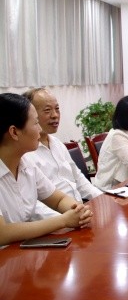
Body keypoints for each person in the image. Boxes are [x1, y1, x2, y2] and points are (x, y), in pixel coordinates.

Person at [0, 93, 92, 246]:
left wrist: (77, 210)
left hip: (24, 250)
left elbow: (58, 199)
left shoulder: (26, 165)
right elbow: (2, 233)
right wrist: (64, 220)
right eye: (36, 123)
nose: (39, 129)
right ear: (14, 132)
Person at [21, 88, 103, 219]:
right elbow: (33, 205)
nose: (55, 115)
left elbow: (79, 179)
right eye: (47, 110)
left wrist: (102, 198)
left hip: (78, 211)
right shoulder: (25, 153)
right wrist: (65, 220)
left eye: (57, 109)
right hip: (53, 221)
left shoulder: (57, 144)